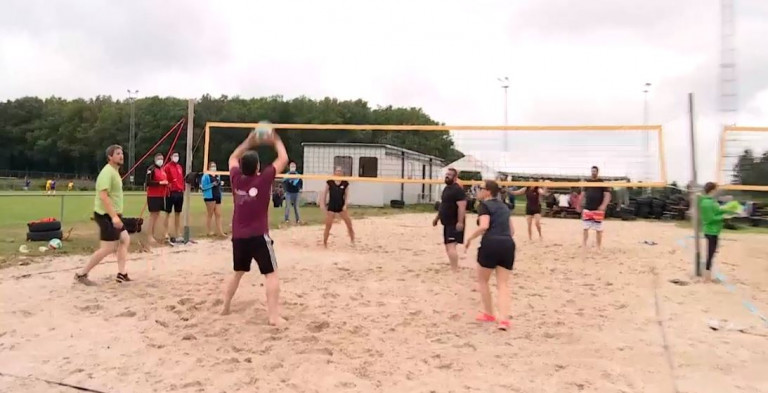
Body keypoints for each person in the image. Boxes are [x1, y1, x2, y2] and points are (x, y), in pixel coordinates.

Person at [221, 130, 289, 325]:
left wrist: (248, 142)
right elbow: (283, 158)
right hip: (259, 236)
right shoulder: (264, 178)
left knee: (238, 272)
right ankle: (273, 317)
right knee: (271, 274)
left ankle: (225, 307)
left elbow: (233, 157)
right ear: (258, 167)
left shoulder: (235, 178)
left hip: (239, 237)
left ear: (241, 167)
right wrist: (275, 139)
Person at [74, 145, 131, 285]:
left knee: (124, 239)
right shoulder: (107, 173)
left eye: (122, 153)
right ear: (110, 157)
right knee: (108, 248)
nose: (121, 156)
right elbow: (104, 197)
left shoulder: (114, 172)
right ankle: (82, 274)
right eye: (117, 153)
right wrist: (114, 217)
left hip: (113, 214)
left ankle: (122, 273)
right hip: (106, 215)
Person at [464, 180, 516, 331]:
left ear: (488, 191)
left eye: (480, 188)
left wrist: (469, 239)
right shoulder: (504, 206)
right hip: (507, 244)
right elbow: (512, 231)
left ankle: (489, 314)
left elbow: (484, 226)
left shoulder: (484, 206)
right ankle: (504, 320)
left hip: (491, 244)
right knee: (503, 285)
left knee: (483, 280)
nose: (478, 191)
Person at [432, 168, 467, 272]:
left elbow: (462, 206)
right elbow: (443, 205)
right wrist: (437, 218)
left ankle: (455, 269)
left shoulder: (457, 190)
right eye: (446, 174)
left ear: (455, 178)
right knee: (448, 246)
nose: (447, 176)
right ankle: (454, 267)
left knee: (451, 245)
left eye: (450, 175)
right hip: (446, 222)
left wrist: (460, 222)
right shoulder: (447, 189)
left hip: (454, 222)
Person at [577, 166, 612, 250]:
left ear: (597, 172)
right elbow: (582, 194)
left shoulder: (601, 182)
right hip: (587, 208)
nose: (593, 172)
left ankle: (598, 246)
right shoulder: (588, 182)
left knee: (598, 229)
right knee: (585, 228)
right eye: (592, 171)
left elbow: (607, 195)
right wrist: (579, 205)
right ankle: (584, 244)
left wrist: (603, 205)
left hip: (598, 209)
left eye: (595, 171)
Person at [321, 166, 355, 247]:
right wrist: (323, 204)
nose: (339, 172)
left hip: (341, 206)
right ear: (334, 172)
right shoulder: (330, 182)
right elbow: (324, 193)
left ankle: (352, 240)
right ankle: (325, 243)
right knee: (328, 226)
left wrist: (345, 205)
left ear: (342, 173)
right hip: (332, 206)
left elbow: (347, 195)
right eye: (337, 171)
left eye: (340, 171)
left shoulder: (345, 183)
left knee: (349, 224)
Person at [700, 182, 725, 282]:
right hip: (711, 231)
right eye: (716, 189)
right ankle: (707, 277)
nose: (717, 191)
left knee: (712, 252)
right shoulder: (707, 202)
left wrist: (726, 210)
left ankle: (707, 275)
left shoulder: (710, 201)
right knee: (710, 254)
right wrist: (723, 217)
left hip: (714, 231)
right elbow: (710, 218)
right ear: (712, 190)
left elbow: (716, 212)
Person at [145, 153, 169, 244]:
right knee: (153, 216)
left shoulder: (162, 169)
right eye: (159, 158)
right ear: (155, 159)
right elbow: (148, 182)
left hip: (160, 195)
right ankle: (149, 236)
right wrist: (160, 183)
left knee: (157, 215)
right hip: (153, 195)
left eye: (162, 158)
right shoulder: (151, 169)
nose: (161, 160)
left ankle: (153, 234)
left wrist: (166, 183)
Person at [163, 151, 185, 243]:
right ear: (171, 157)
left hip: (180, 192)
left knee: (178, 213)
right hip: (171, 192)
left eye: (177, 155)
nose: (176, 157)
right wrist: (169, 185)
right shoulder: (167, 167)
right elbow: (164, 178)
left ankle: (178, 232)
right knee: (168, 213)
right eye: (174, 155)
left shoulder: (179, 167)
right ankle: (166, 232)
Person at [201, 161, 225, 237]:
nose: (214, 168)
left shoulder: (217, 175)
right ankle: (208, 231)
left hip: (217, 195)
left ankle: (220, 232)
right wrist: (212, 184)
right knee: (210, 214)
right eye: (212, 166)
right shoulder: (206, 176)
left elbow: (218, 185)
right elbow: (203, 187)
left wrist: (220, 183)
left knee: (218, 214)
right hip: (210, 196)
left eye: (215, 166)